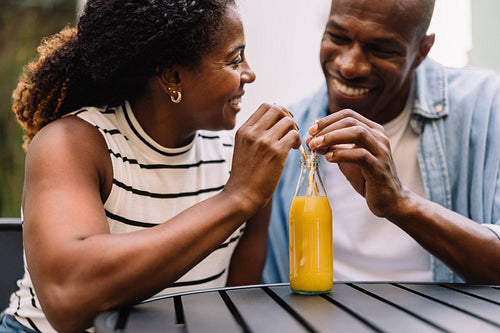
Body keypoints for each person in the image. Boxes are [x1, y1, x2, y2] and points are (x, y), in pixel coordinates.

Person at [0, 0, 301, 332]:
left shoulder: (241, 162)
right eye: (235, 59)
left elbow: (234, 306)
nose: (249, 73)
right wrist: (235, 199)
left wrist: (245, 192)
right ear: (173, 76)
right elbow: (68, 299)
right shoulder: (73, 144)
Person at [264, 0, 500, 285]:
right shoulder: (293, 134)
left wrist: (400, 202)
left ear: (421, 52)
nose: (348, 66)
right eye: (337, 37)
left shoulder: (486, 108)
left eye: (381, 49)